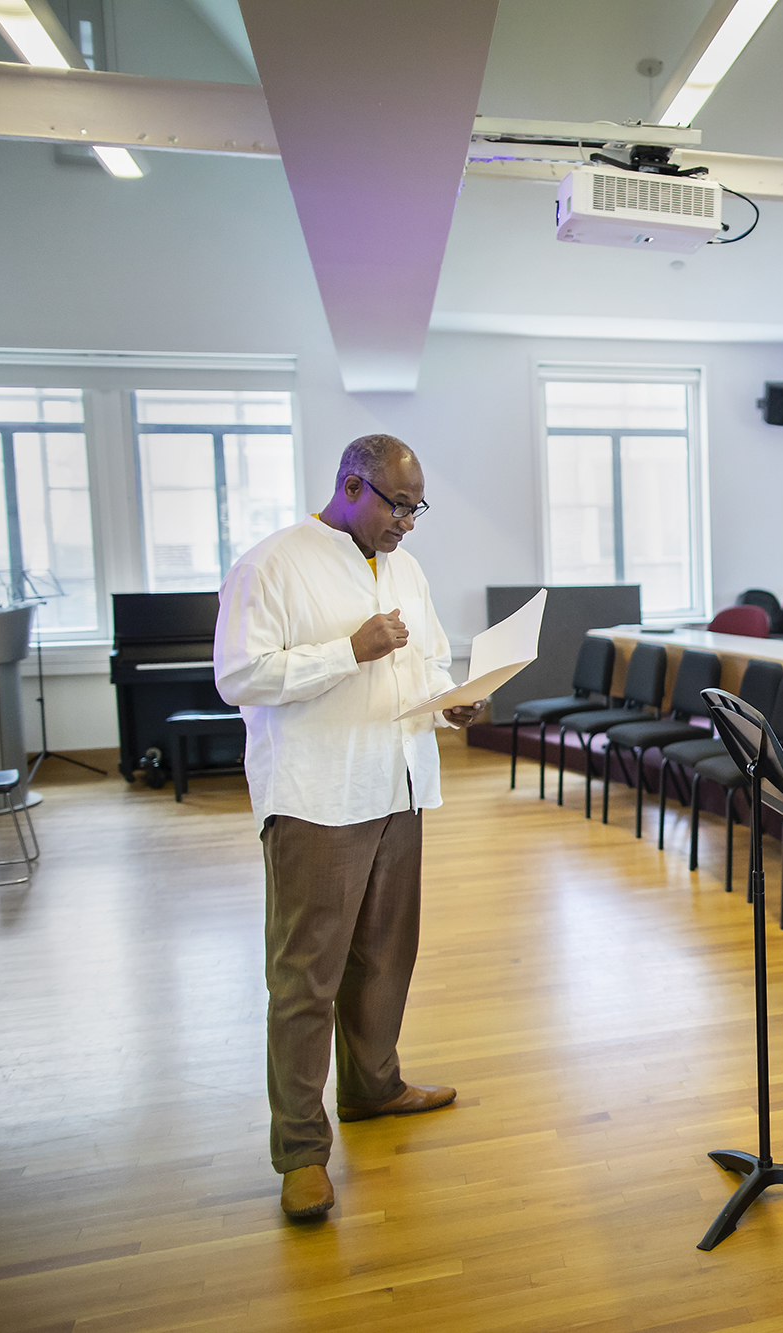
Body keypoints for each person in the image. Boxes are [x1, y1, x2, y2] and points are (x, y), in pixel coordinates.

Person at [214, 434, 482, 1222]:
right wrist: (347, 651)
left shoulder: (405, 565)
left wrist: (451, 698)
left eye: (416, 506)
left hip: (397, 783)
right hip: (317, 796)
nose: (409, 522)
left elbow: (425, 661)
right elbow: (239, 675)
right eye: (398, 505)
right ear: (351, 486)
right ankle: (300, 1151)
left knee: (384, 955)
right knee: (306, 977)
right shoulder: (271, 564)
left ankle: (373, 1085)